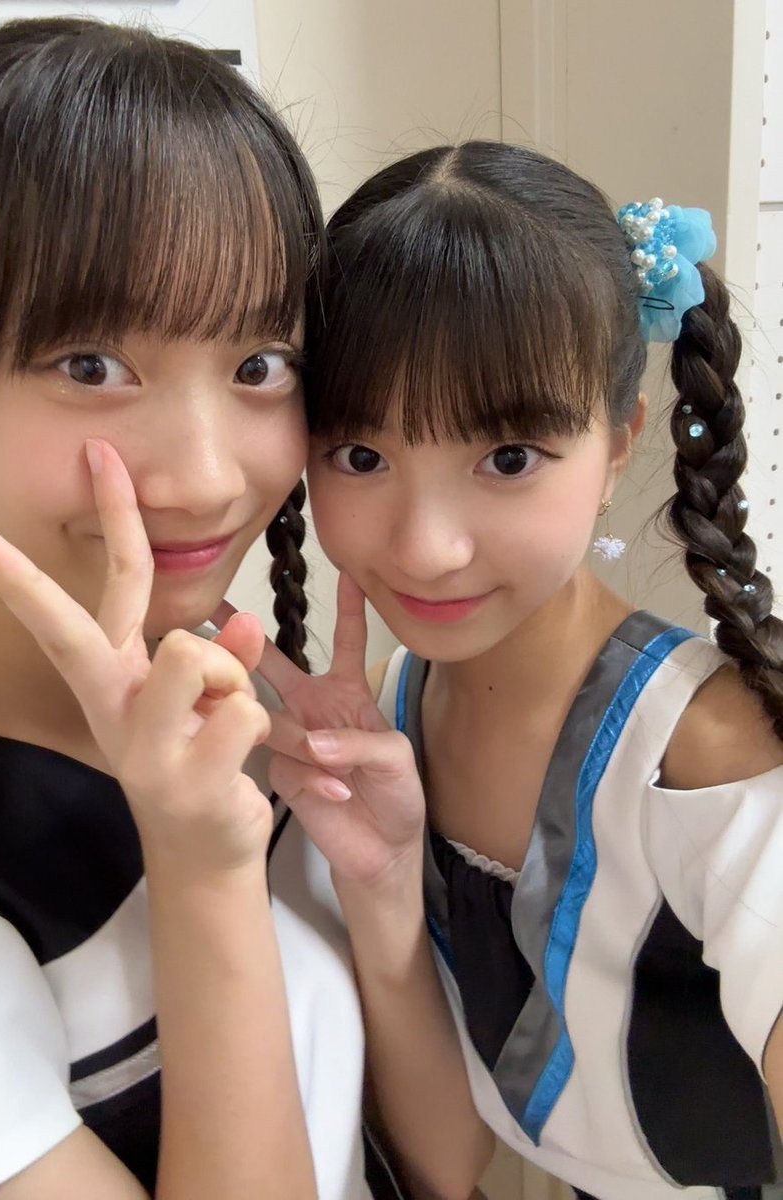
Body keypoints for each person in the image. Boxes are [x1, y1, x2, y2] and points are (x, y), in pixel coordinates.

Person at [0, 18, 382, 1200]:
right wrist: (200, 873)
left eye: (259, 363)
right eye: (89, 365)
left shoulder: (233, 693)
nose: (204, 477)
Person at [266, 141, 783, 1200]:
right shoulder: (394, 710)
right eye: (360, 456)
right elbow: (450, 1161)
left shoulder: (707, 754)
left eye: (507, 459)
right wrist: (380, 891)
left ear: (620, 442)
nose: (426, 549)